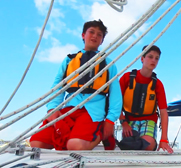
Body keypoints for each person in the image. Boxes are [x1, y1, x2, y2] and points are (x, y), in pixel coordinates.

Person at [30, 19, 122, 150]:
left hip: (92, 112)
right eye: (92, 32)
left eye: (99, 34)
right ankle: (73, 135)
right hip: (70, 109)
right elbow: (58, 87)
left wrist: (110, 120)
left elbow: (115, 95)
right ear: (83, 35)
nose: (95, 36)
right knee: (37, 142)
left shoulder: (109, 64)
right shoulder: (69, 60)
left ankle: (99, 134)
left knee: (75, 145)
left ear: (102, 40)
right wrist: (52, 109)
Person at [118, 45, 173, 153]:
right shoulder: (126, 78)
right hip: (129, 120)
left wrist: (164, 139)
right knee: (130, 145)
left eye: (156, 58)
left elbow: (163, 112)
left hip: (149, 120)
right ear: (142, 59)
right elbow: (116, 103)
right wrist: (123, 122)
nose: (153, 60)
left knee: (147, 146)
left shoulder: (158, 84)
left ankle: (153, 142)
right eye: (150, 57)